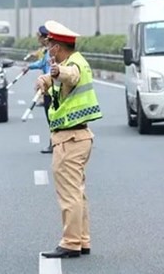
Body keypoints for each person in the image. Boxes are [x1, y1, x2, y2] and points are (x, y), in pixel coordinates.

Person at [35, 20, 103, 259]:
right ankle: (82, 240)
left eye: (50, 44)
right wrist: (47, 80)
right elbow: (63, 82)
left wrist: (56, 72)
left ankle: (71, 243)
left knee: (70, 195)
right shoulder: (76, 60)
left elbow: (70, 76)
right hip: (78, 136)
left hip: (70, 138)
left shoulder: (71, 65)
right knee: (78, 193)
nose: (48, 48)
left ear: (57, 48)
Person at [23, 25, 53, 154]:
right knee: (51, 118)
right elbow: (41, 63)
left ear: (44, 37)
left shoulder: (52, 52)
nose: (38, 39)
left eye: (39, 36)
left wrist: (44, 81)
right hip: (48, 90)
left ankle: (55, 144)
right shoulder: (47, 51)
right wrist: (29, 67)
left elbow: (52, 70)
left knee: (53, 118)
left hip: (52, 90)